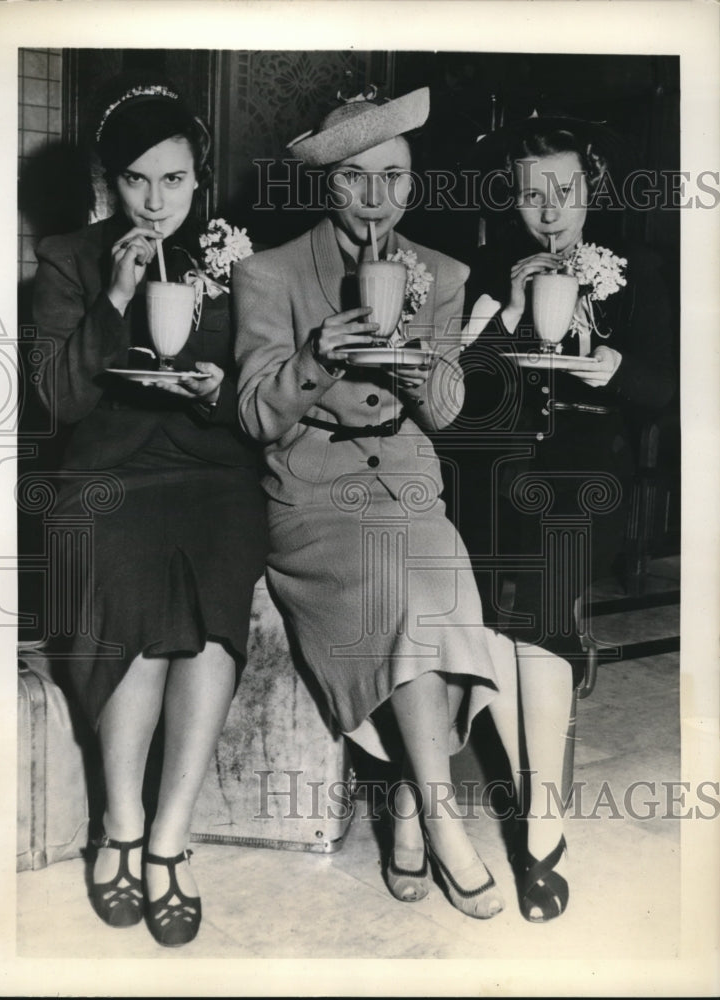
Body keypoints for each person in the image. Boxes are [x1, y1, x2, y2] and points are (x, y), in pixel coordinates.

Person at [233, 87, 504, 919]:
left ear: (413, 183)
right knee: (398, 586)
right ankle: (440, 815)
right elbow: (250, 414)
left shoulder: (444, 275)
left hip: (410, 487)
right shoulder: (268, 273)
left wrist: (425, 352)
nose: (378, 196)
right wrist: (316, 358)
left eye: (395, 176)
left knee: (437, 582)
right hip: (314, 497)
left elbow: (447, 415)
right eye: (357, 177)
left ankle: (409, 805)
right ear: (327, 185)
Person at [32, 79, 268, 946]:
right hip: (104, 478)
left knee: (209, 600)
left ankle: (169, 838)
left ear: (199, 180)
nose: (156, 202)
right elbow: (57, 402)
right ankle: (120, 825)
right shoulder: (69, 258)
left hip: (211, 472)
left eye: (174, 181)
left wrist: (214, 392)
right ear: (110, 183)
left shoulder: (235, 257)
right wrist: (118, 298)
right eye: (137, 182)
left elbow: (256, 389)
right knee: (126, 578)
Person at [451, 116, 676, 921]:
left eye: (565, 190)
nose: (549, 210)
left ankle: (539, 830)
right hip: (498, 469)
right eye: (530, 193)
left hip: (585, 475)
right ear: (512, 199)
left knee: (535, 618)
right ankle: (537, 804)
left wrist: (611, 366)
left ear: (592, 189)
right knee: (504, 632)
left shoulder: (639, 271)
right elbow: (459, 404)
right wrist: (508, 307)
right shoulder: (488, 269)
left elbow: (666, 389)